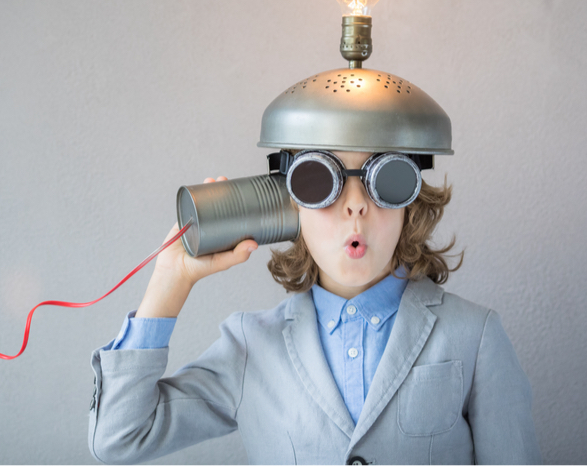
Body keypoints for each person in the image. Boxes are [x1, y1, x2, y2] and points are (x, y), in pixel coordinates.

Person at [87, 150, 541, 465]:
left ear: (411, 203)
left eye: (385, 180)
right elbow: (119, 437)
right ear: (290, 206)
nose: (356, 205)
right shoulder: (250, 348)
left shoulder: (475, 335)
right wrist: (171, 280)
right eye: (322, 181)